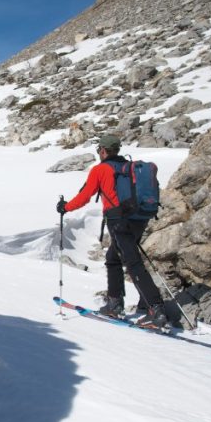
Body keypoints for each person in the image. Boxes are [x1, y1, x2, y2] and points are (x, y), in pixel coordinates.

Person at [56, 134, 168, 327]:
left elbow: (85, 196)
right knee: (113, 258)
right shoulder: (127, 168)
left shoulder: (101, 169)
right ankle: (115, 303)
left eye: (99, 150)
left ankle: (156, 309)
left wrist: (65, 208)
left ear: (103, 150)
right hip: (139, 218)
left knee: (132, 262)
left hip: (118, 220)